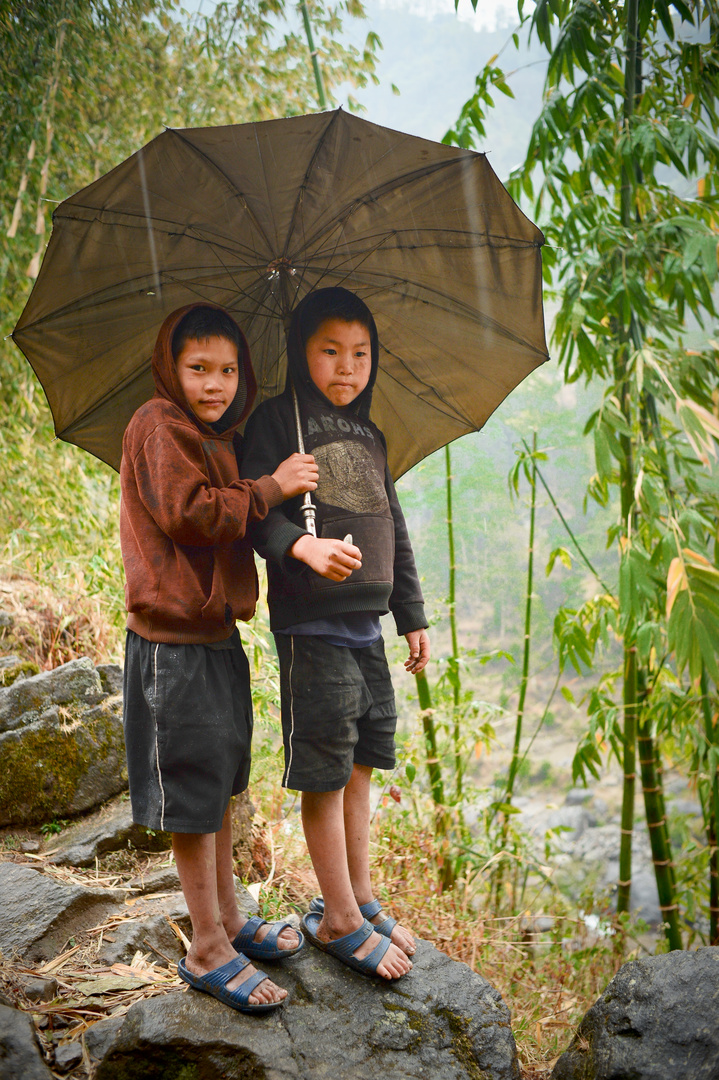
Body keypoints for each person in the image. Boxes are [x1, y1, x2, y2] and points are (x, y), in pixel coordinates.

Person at [119, 302, 319, 1014]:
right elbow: (192, 514)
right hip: (172, 646)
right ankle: (206, 944)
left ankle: (230, 920)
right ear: (169, 368)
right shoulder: (158, 425)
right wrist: (268, 488)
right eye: (198, 368)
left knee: (222, 782)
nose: (215, 383)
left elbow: (229, 505)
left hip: (215, 640)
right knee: (195, 796)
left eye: (228, 370)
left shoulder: (216, 435)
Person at [241, 286, 430, 981]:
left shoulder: (371, 435)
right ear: (300, 353)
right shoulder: (276, 423)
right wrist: (301, 546)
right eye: (330, 352)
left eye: (360, 354)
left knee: (359, 763)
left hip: (365, 626)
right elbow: (253, 514)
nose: (347, 368)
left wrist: (410, 615)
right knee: (324, 770)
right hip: (311, 626)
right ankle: (338, 920)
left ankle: (357, 896)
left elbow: (393, 528)